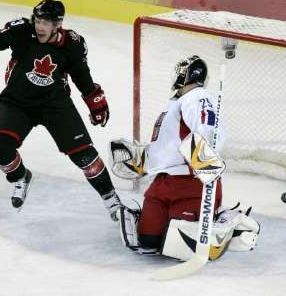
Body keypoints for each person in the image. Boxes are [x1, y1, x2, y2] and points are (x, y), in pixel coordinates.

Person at [0, 0, 122, 221]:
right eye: (38, 20)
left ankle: (111, 198)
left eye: (46, 22)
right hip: (17, 101)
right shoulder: (22, 30)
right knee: (0, 151)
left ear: (57, 24)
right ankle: (20, 177)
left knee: (85, 156)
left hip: (54, 104)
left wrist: (95, 100)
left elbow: (81, 76)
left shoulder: (72, 43)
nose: (40, 26)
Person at [110, 55, 260, 260]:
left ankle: (227, 222)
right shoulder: (175, 104)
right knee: (148, 243)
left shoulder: (197, 96)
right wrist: (145, 159)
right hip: (162, 183)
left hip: (191, 183)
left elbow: (209, 132)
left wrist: (205, 161)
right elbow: (168, 146)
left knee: (179, 248)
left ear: (184, 75)